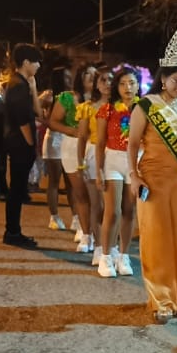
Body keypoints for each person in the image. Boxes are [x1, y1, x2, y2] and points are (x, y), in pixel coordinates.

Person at [127, 26, 177, 322]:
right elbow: (133, 144)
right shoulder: (146, 106)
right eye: (176, 80)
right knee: (157, 240)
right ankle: (162, 300)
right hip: (153, 179)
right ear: (163, 78)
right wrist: (134, 176)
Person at [95, 65, 140, 278]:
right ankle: (105, 257)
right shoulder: (108, 109)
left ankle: (123, 256)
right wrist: (98, 170)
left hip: (135, 162)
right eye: (122, 84)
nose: (127, 87)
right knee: (113, 211)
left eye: (131, 83)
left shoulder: (144, 110)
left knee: (130, 211)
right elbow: (100, 142)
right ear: (116, 87)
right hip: (112, 160)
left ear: (138, 86)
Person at [3, 43, 42, 249]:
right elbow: (22, 120)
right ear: (26, 62)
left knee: (18, 189)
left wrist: (34, 88)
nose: (38, 66)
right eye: (36, 61)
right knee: (16, 190)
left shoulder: (22, 83)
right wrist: (30, 144)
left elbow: (38, 113)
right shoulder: (17, 85)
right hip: (19, 144)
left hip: (19, 144)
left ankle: (13, 231)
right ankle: (12, 232)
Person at [48, 62, 94, 235]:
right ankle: (83, 229)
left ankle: (94, 230)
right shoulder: (67, 98)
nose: (92, 77)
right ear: (80, 77)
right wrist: (73, 131)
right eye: (88, 73)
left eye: (95, 74)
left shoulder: (103, 99)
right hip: (72, 146)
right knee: (79, 190)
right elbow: (53, 122)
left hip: (95, 146)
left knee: (95, 191)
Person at [76, 67, 113, 258]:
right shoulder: (88, 108)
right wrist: (80, 163)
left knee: (113, 206)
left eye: (111, 80)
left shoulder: (122, 107)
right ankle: (98, 246)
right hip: (93, 155)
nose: (107, 84)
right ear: (97, 84)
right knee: (96, 204)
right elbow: (82, 137)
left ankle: (111, 246)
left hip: (115, 155)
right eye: (103, 80)